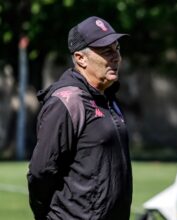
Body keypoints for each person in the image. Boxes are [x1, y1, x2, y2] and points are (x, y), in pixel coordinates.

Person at [27, 16, 132, 220]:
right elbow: (40, 173)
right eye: (106, 51)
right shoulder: (67, 101)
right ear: (80, 58)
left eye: (117, 49)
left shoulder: (108, 97)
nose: (116, 57)